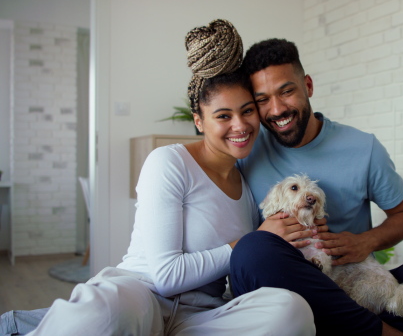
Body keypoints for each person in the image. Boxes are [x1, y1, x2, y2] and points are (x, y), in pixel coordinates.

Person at [1, 20, 315, 336]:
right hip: (140, 298)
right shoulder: (169, 162)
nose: (240, 125)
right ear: (199, 121)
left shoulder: (247, 189)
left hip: (199, 317)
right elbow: (167, 276)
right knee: (110, 308)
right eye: (223, 116)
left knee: (290, 310)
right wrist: (248, 241)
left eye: (247, 111)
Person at [231, 38, 403, 336]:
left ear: (308, 86)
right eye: (262, 100)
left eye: (286, 91)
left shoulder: (363, 148)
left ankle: (357, 326)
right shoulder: (245, 150)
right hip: (292, 286)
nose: (277, 109)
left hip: (353, 280)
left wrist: (366, 241)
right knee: (253, 250)